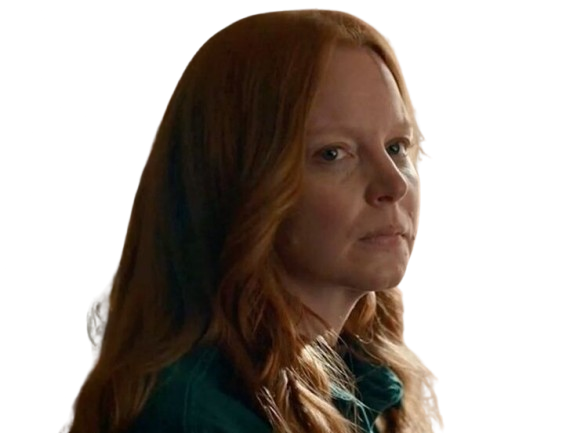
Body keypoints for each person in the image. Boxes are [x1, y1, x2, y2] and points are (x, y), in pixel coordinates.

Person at [62, 8, 443, 433]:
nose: (394, 184)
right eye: (332, 153)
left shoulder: (371, 380)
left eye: (396, 146)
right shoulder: (195, 417)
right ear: (237, 181)